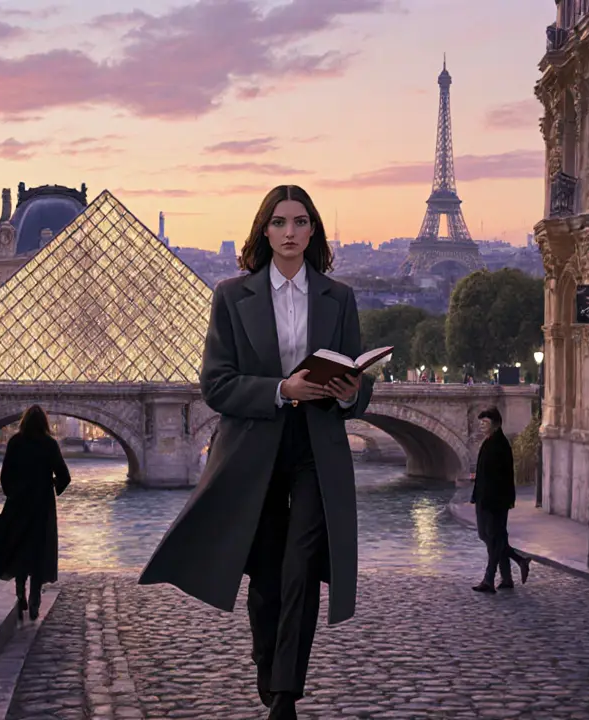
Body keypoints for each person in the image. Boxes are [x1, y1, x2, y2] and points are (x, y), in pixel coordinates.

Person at [138, 185, 374, 720]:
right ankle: (269, 667)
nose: (289, 232)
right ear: (263, 231)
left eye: (300, 221)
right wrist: (280, 389)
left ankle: (286, 694)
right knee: (268, 577)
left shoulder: (340, 298)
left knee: (301, 567)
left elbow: (360, 387)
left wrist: (351, 392)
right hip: (255, 449)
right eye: (279, 222)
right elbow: (216, 386)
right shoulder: (229, 295)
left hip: (317, 447)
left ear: (313, 231)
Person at [0, 405, 72, 620]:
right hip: (42, 506)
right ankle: (35, 599)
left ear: (24, 421)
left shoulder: (15, 442)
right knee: (38, 551)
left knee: (18, 547)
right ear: (45, 423)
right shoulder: (49, 444)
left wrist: (12, 494)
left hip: (18, 504)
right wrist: (52, 484)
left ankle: (20, 594)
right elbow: (65, 476)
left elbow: (5, 475)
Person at [469, 407, 531, 593]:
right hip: (484, 498)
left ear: (495, 424)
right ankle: (513, 569)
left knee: (494, 538)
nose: (481, 425)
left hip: (494, 501)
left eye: (485, 423)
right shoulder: (489, 442)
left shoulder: (500, 444)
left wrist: (497, 500)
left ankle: (489, 580)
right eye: (480, 422)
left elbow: (501, 478)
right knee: (490, 537)